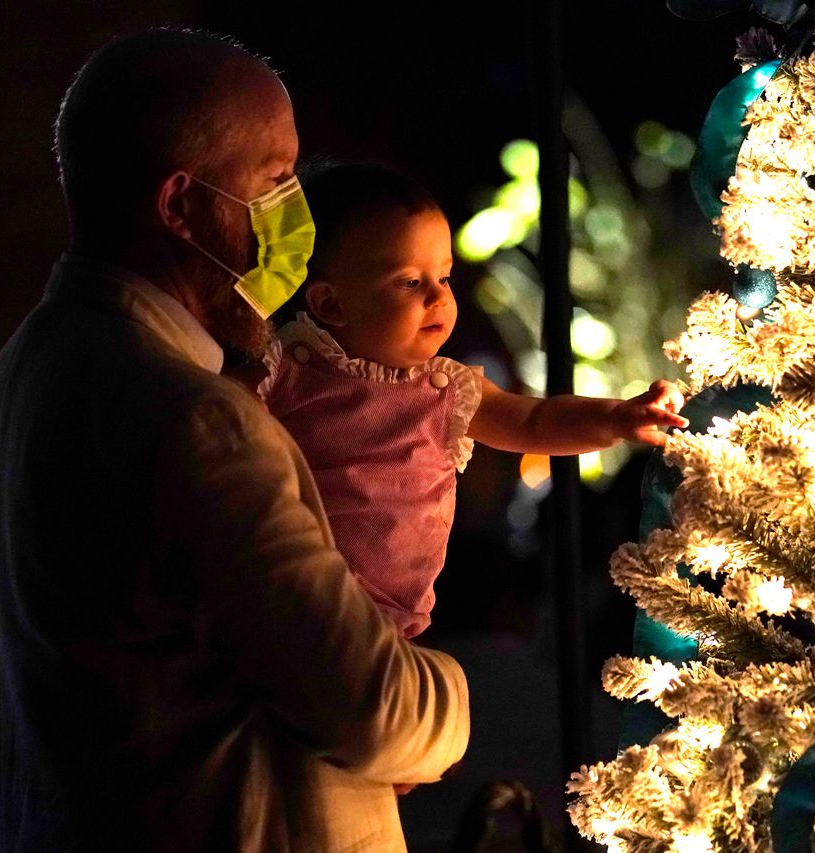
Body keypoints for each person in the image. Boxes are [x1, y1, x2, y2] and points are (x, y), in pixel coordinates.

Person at [0, 30, 468, 853]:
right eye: (275, 182)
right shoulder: (193, 419)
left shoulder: (18, 384)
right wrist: (447, 683)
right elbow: (378, 712)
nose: (297, 219)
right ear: (180, 206)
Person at [252, 162, 688, 638]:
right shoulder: (282, 369)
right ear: (331, 304)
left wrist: (617, 417)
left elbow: (536, 421)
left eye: (444, 277)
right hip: (284, 599)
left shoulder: (446, 390)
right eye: (410, 282)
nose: (438, 297)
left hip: (390, 623)